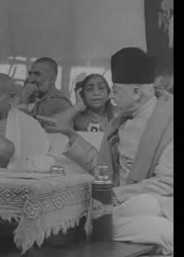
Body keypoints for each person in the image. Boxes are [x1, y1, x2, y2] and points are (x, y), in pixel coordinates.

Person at [44, 47, 173, 256]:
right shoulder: (119, 123)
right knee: (143, 211)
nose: (111, 95)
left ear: (137, 93)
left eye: (116, 89)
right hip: (127, 206)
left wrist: (116, 195)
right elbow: (105, 171)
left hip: (156, 203)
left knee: (147, 207)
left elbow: (169, 182)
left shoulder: (169, 121)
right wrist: (72, 136)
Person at [50, 74, 115, 133]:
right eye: (90, 89)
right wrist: (77, 107)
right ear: (82, 95)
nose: (96, 93)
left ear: (108, 93)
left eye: (101, 88)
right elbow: (50, 125)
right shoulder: (75, 116)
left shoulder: (118, 115)